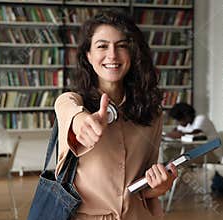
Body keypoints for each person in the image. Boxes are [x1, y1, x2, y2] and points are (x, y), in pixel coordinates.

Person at [54, 10, 177, 219]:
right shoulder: (74, 103)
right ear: (88, 55)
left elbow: (142, 188)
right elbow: (65, 105)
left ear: (133, 53)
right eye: (102, 46)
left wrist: (160, 185)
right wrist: (81, 120)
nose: (112, 55)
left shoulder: (152, 112)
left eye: (121, 46)